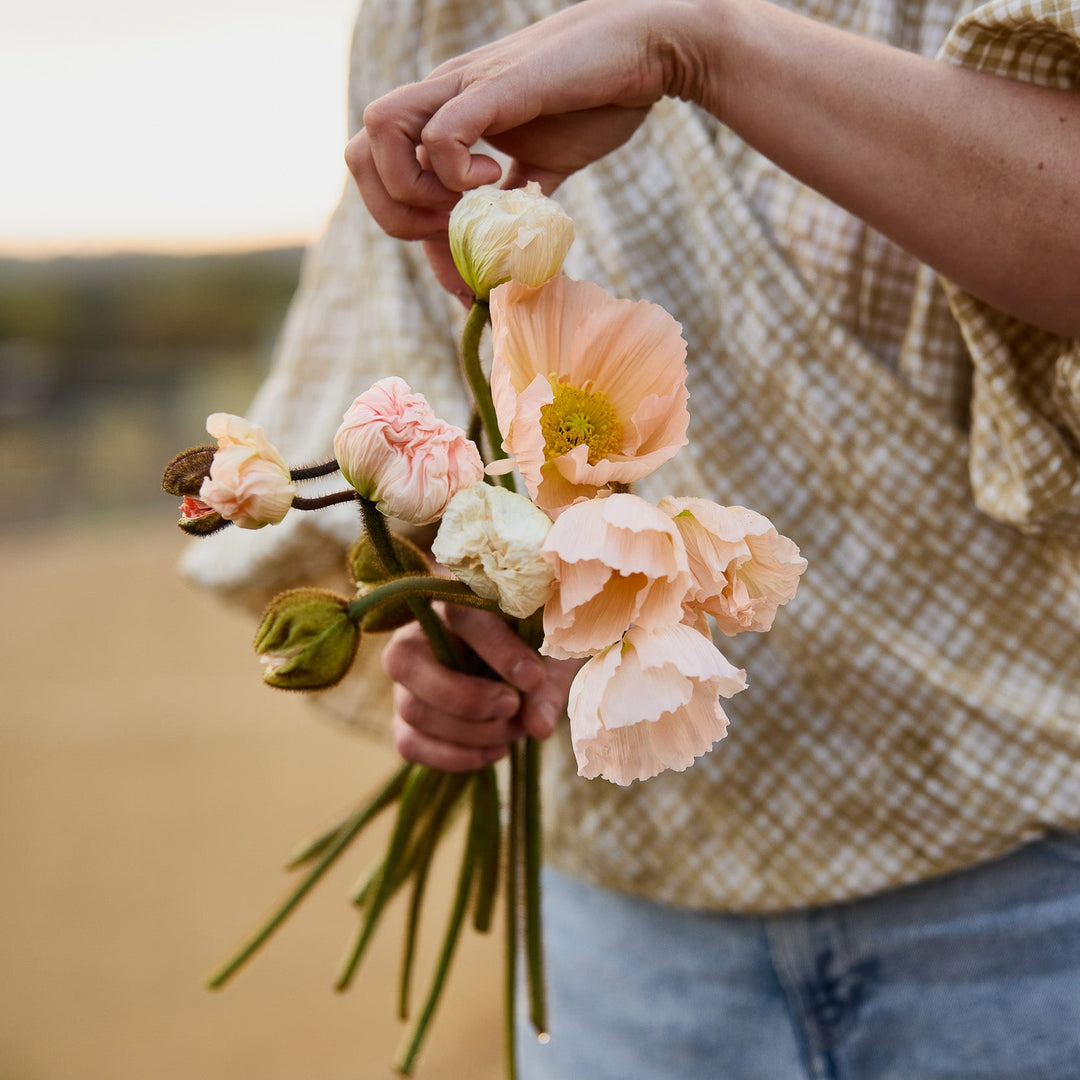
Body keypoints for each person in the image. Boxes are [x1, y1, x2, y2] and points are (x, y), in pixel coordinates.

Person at [185, 0, 1080, 1075]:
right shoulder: (435, 18)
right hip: (619, 931)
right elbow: (427, 431)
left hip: (1031, 880)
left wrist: (701, 46)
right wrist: (449, 605)